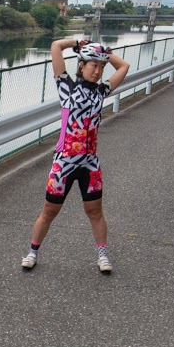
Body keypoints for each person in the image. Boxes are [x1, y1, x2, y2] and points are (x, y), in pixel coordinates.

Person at [21, 38, 129, 274]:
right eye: (93, 65)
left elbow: (124, 67)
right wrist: (78, 43)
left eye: (101, 67)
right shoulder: (66, 87)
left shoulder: (103, 90)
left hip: (90, 164)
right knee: (49, 211)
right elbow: (55, 47)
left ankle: (102, 255)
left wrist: (104, 53)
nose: (98, 71)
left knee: (95, 211)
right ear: (81, 65)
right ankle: (32, 252)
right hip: (64, 162)